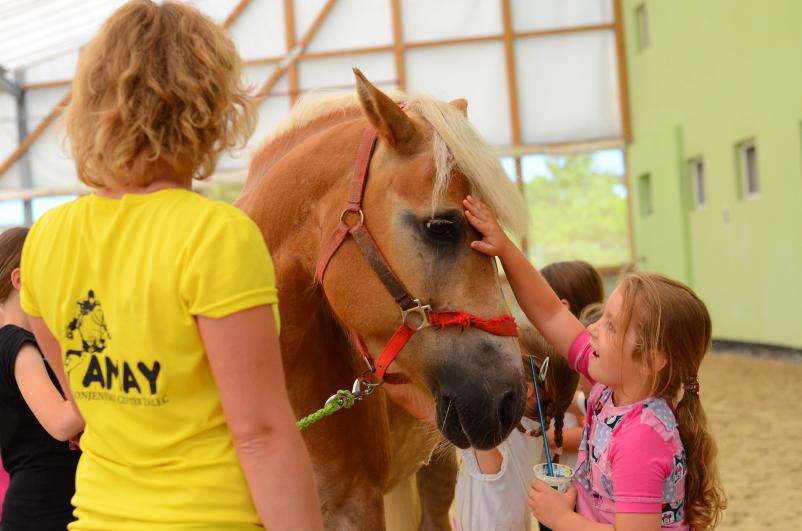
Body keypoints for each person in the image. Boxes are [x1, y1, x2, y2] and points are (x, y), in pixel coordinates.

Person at [18, 2, 322, 530]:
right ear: (209, 104)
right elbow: (261, 436)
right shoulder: (215, 236)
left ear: (92, 102)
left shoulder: (47, 237)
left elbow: (85, 400)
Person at [462, 195, 726, 531]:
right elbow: (550, 313)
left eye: (612, 326)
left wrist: (561, 519)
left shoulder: (640, 438)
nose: (591, 329)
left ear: (652, 359)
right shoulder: (610, 387)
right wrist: (505, 249)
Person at [384, 333, 577, 531]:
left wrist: (380, 364)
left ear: (527, 390)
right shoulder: (537, 430)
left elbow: (416, 404)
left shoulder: (490, 429)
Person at [0, 227, 83, 530]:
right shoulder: (16, 344)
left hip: (57, 500)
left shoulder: (31, 342)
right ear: (19, 279)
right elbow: (61, 424)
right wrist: (106, 390)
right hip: (42, 507)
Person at [539, 261, 605, 469]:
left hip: (573, 472)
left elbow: (588, 431)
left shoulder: (580, 367)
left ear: (563, 307)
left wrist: (544, 437)